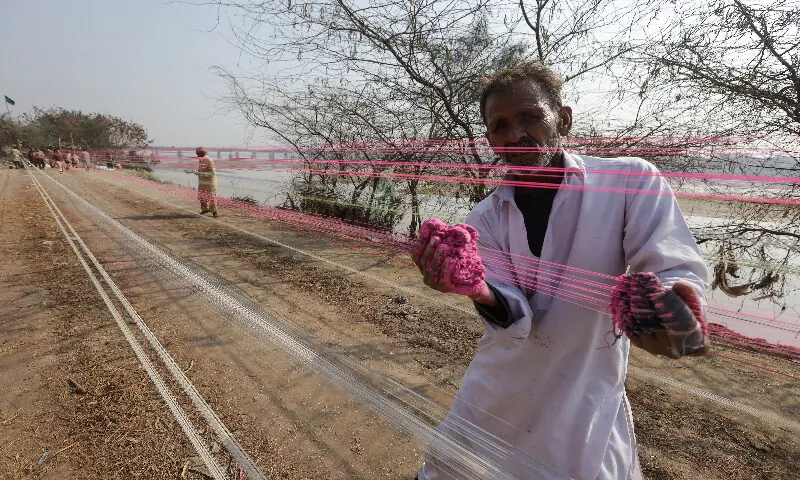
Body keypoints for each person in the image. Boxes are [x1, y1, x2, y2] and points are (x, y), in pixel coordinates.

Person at [411, 63, 709, 480]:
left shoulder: (628, 181)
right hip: (498, 388)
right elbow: (515, 320)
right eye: (499, 125)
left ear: (563, 119)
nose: (515, 135)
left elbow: (671, 265)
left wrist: (668, 308)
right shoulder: (485, 218)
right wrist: (477, 289)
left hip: (583, 392)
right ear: (490, 139)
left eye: (530, 117)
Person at [193, 147, 218, 217]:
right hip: (202, 182)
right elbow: (201, 169)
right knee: (202, 195)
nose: (197, 155)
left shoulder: (209, 160)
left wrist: (202, 174)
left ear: (203, 153)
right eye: (196, 154)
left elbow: (213, 173)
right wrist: (197, 171)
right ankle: (204, 209)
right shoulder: (200, 160)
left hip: (210, 183)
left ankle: (214, 211)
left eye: (198, 154)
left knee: (212, 197)